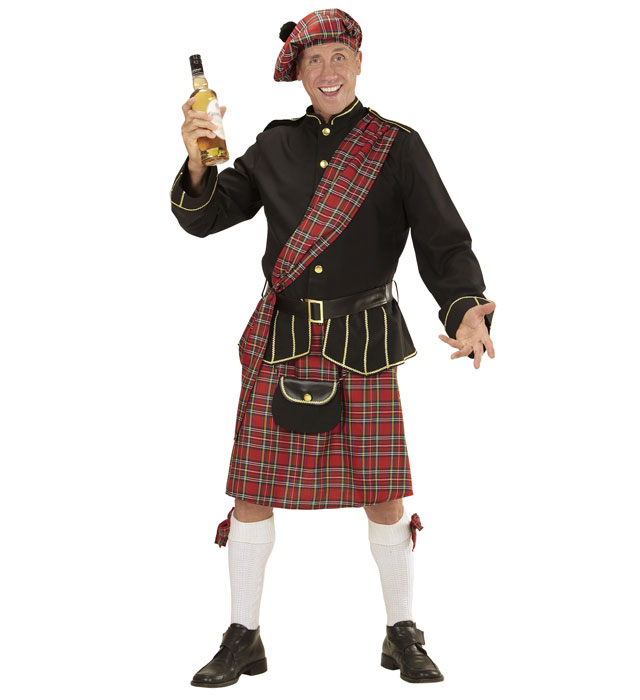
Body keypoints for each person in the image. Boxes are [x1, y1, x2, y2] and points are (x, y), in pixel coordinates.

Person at [170, 8, 496, 688]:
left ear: (358, 62)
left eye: (338, 57)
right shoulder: (274, 144)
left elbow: (442, 239)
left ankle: (402, 631)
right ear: (299, 72)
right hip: (284, 337)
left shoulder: (396, 145)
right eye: (313, 60)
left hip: (365, 340)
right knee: (252, 491)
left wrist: (465, 307)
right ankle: (243, 635)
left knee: (383, 494)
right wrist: (199, 161)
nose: (327, 71)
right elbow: (208, 217)